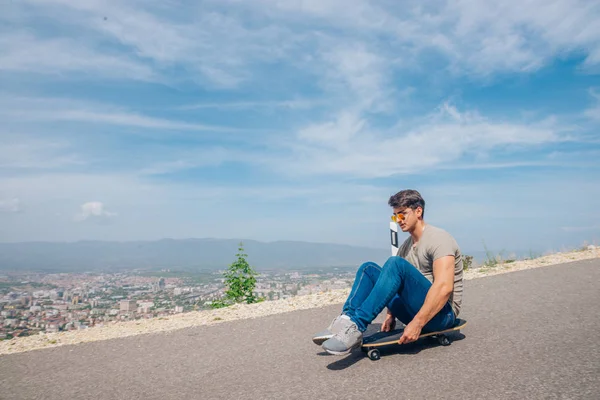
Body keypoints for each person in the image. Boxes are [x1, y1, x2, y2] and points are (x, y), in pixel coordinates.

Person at [313, 189, 464, 355]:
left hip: (442, 315)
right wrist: (390, 315)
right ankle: (346, 321)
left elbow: (444, 288)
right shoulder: (405, 248)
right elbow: (394, 284)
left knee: (395, 264)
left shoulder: (438, 239)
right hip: (414, 310)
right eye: (395, 216)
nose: (399, 220)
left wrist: (418, 323)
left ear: (418, 211)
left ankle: (356, 326)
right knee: (368, 269)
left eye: (402, 214)